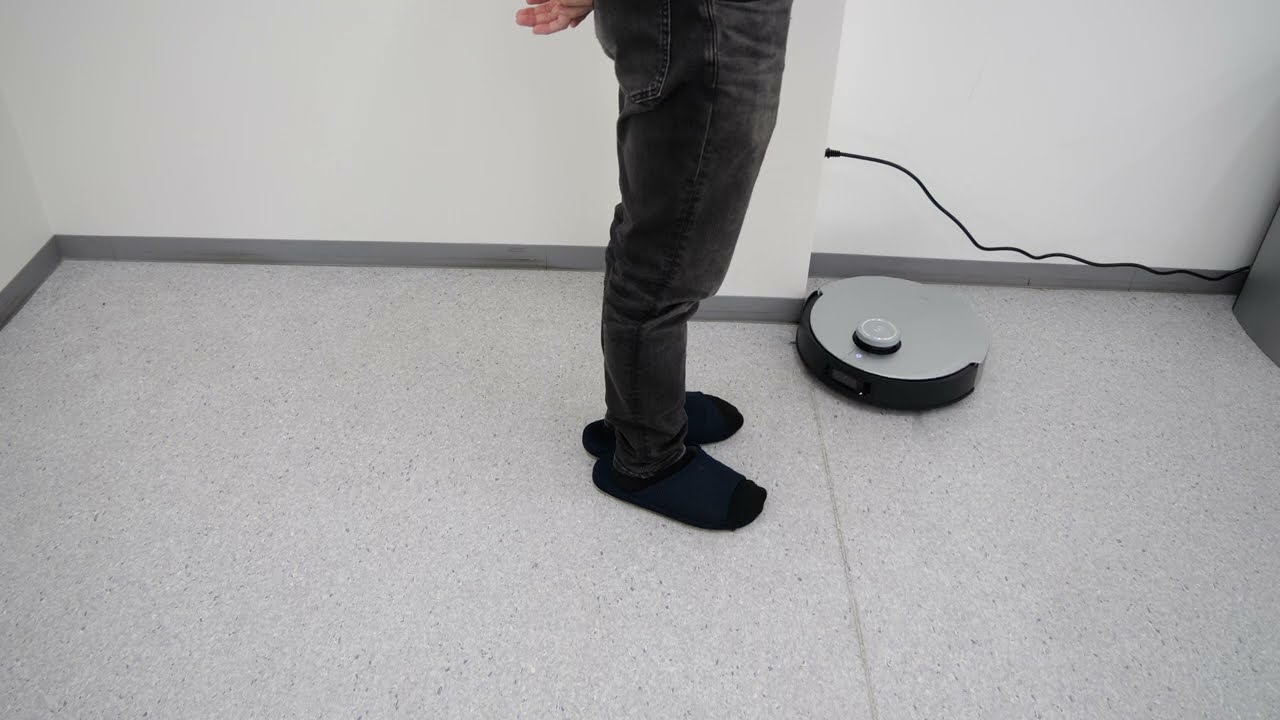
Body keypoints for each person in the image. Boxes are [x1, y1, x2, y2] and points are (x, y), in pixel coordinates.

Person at [517, 0, 793, 531]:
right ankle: (647, 459)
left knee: (662, 224)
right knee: (666, 253)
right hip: (703, 18)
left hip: (703, 19)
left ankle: (640, 413)